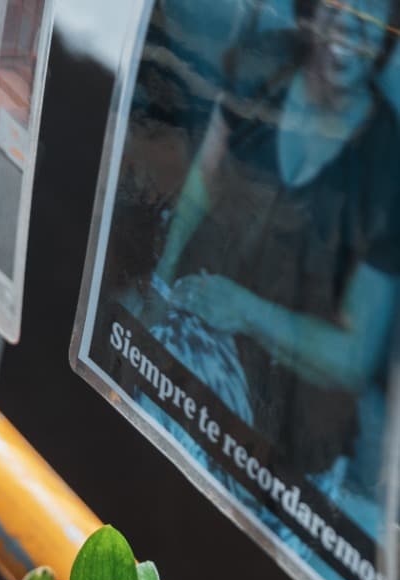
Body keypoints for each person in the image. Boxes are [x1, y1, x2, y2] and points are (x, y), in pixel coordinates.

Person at [144, 0, 400, 485]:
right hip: (196, 329)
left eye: (369, 14)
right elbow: (206, 176)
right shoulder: (269, 58)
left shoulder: (386, 161)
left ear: (388, 35)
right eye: (337, 7)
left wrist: (243, 309)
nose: (348, 28)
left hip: (287, 419)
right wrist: (157, 283)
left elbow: (352, 359)